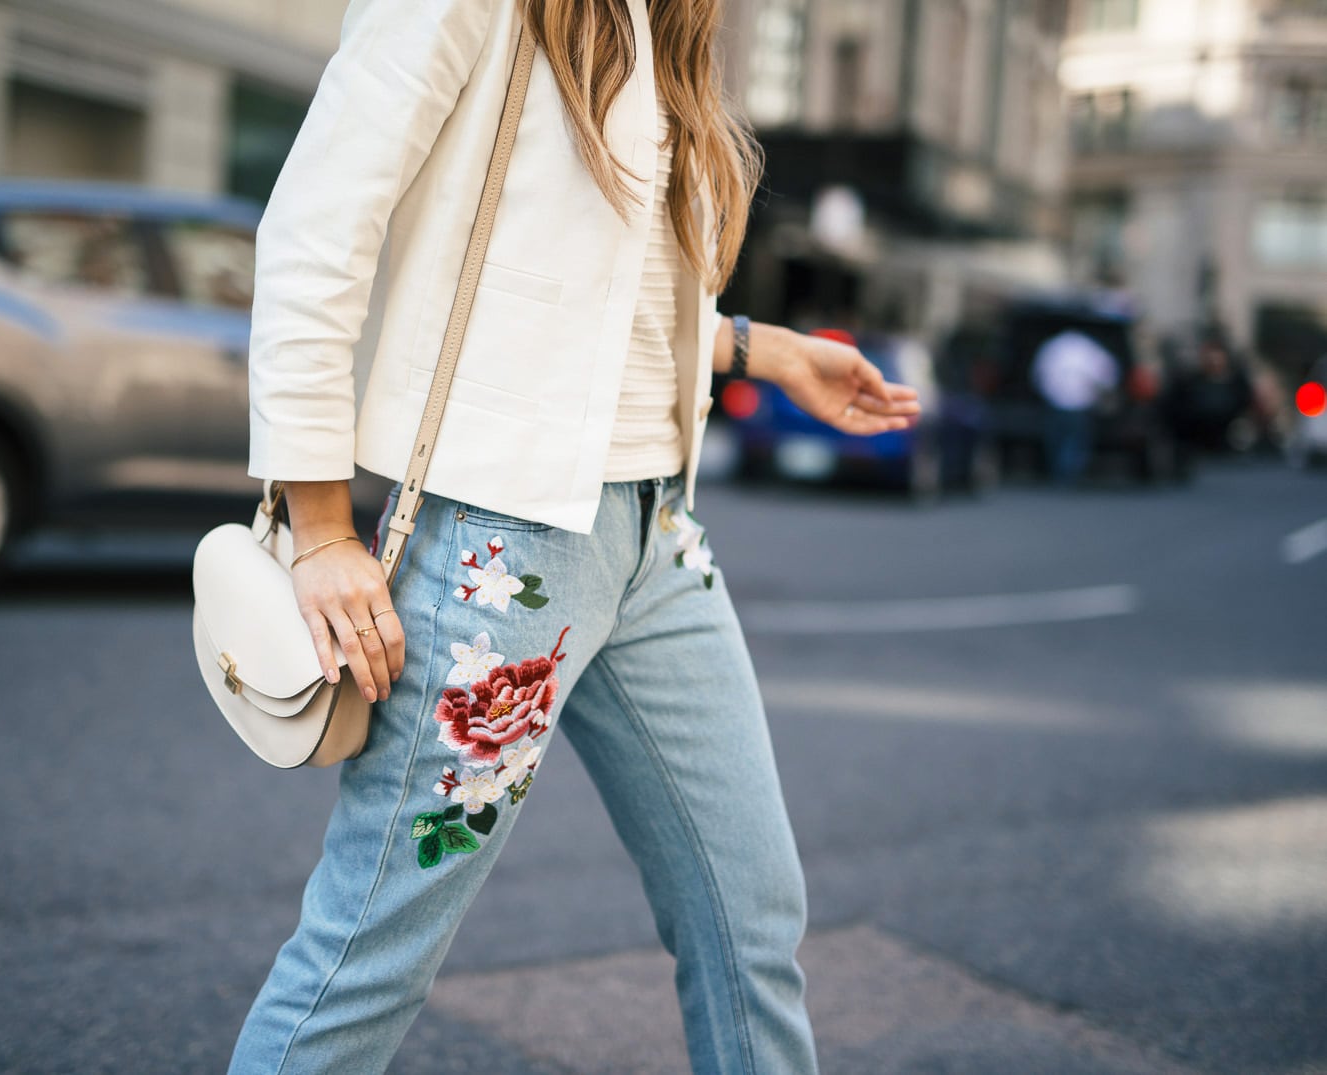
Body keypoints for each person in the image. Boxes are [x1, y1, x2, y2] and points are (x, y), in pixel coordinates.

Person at [229, 1, 919, 1071]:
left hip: (658, 536)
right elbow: (315, 229)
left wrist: (761, 347)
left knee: (750, 911)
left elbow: (593, 294)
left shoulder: (663, 23)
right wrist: (318, 524)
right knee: (371, 949)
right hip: (505, 552)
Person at [1031, 328, 1119, 484]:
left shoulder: (1053, 347)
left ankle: (1060, 472)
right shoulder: (1089, 349)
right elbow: (1107, 373)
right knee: (1074, 439)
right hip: (1078, 403)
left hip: (1056, 401)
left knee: (1058, 439)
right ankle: (1068, 472)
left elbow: (1038, 374)